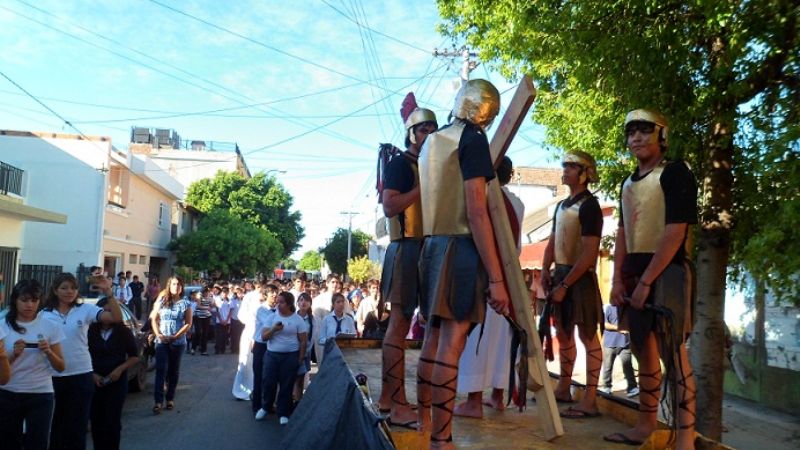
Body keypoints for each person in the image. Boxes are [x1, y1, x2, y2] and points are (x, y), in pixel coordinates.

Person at [416, 79, 509, 447]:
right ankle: (441, 440)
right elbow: (476, 211)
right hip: (461, 249)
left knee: (433, 339)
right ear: (486, 112)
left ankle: (425, 425)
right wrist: (497, 279)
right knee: (450, 344)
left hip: (432, 247)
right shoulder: (472, 139)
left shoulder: (432, 141)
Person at [604, 109, 697, 449]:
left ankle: (685, 439)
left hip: (668, 272)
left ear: (661, 135)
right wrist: (618, 279)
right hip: (634, 271)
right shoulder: (627, 183)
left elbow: (675, 232)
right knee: (642, 350)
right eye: (631, 133)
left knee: (674, 355)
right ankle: (645, 425)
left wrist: (646, 282)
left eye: (644, 130)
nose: (636, 138)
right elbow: (624, 232)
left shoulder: (676, 173)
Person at [377, 93, 438, 426]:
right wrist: (423, 187)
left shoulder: (432, 166)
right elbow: (390, 206)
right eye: (423, 128)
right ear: (412, 133)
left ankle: (390, 397)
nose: (428, 133)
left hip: (426, 249)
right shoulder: (400, 164)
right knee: (399, 325)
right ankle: (398, 402)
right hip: (405, 248)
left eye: (432, 128)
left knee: (411, 325)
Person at [454, 156, 524, 418]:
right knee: (502, 339)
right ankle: (497, 395)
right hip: (508, 276)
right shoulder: (517, 202)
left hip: (486, 274)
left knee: (479, 338)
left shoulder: (482, 196)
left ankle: (474, 402)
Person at [540, 151, 605, 419]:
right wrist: (545, 270)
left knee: (588, 336)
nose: (565, 170)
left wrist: (565, 285)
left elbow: (589, 252)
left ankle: (590, 399)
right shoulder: (561, 206)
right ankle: (564, 387)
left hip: (581, 278)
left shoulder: (590, 206)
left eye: (571, 166)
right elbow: (553, 241)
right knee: (564, 333)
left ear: (585, 172)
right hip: (561, 274)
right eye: (564, 165)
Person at [41, 272, 123, 450]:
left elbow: (116, 318)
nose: (69, 291)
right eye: (64, 288)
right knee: (55, 427)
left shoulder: (85, 309)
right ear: (55, 290)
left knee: (77, 428)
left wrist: (108, 292)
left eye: (73, 288)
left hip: (81, 376)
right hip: (52, 377)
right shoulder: (43, 314)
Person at [0, 280, 66, 450]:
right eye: (24, 300)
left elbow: (61, 367)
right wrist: (13, 355)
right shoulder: (3, 325)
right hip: (8, 392)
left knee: (38, 443)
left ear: (40, 301)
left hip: (40, 393)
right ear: (15, 300)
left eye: (34, 300)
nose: (29, 305)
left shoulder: (50, 326)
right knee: (8, 443)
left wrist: (49, 352)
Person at [88, 297, 139, 450]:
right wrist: (92, 374)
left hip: (116, 382)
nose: (108, 314)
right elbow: (82, 355)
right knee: (96, 421)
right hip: (94, 381)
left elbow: (134, 356)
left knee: (112, 422)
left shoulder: (124, 332)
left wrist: (119, 370)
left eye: (111, 311)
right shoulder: (89, 331)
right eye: (104, 311)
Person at [256, 292, 308, 426]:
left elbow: (303, 340)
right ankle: (265, 407)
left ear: (289, 304)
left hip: (290, 356)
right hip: (272, 355)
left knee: (287, 384)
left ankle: (283, 412)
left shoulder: (298, 320)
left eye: (282, 302)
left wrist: (300, 357)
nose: (278, 305)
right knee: (268, 382)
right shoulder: (272, 317)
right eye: (277, 302)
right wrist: (274, 329)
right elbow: (263, 337)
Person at [149, 276, 192, 414]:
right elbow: (154, 319)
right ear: (169, 285)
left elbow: (188, 323)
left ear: (182, 287)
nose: (176, 286)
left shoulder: (185, 303)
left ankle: (170, 398)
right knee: (161, 370)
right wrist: (158, 334)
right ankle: (158, 401)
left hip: (177, 342)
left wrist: (176, 336)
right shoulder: (162, 301)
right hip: (162, 341)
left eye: (179, 284)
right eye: (174, 284)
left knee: (173, 371)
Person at [232, 281, 264, 400]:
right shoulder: (249, 296)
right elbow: (241, 314)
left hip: (263, 332)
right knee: (245, 360)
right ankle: (241, 390)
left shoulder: (268, 297)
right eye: (259, 285)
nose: (260, 288)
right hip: (250, 330)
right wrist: (252, 322)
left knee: (260, 363)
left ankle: (258, 390)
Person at [600, 304, 639, 397]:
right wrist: (619, 328)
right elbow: (604, 324)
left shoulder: (628, 308)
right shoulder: (609, 308)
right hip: (610, 344)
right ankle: (606, 387)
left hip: (625, 343)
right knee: (608, 367)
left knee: (628, 366)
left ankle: (632, 387)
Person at [252, 284, 278, 419]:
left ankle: (268, 404)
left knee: (271, 378)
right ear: (265, 295)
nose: (274, 295)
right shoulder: (261, 309)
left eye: (276, 292)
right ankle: (256, 405)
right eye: (271, 292)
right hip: (261, 346)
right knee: (259, 376)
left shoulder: (279, 309)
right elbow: (271, 323)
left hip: (274, 346)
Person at [310, 274, 343, 363]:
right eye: (333, 282)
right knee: (323, 363)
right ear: (327, 283)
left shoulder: (344, 300)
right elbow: (317, 321)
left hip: (339, 338)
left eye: (337, 282)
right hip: (323, 337)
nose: (335, 284)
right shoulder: (319, 300)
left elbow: (346, 317)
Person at [293, 292, 314, 404]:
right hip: (292, 352)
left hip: (305, 353)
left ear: (310, 303)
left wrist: (306, 351)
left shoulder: (312, 320)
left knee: (300, 379)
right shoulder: (292, 317)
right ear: (297, 303)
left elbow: (311, 338)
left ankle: (298, 402)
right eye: (301, 300)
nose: (303, 302)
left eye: (306, 300)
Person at [192, 287, 213, 356]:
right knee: (198, 332)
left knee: (205, 333)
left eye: (207, 292)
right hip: (198, 316)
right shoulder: (199, 297)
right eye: (204, 292)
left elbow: (212, 305)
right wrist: (207, 308)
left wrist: (213, 303)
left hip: (207, 316)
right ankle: (193, 348)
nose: (206, 293)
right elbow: (198, 306)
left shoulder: (210, 298)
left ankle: (204, 350)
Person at [215, 288, 232, 354]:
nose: (225, 294)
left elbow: (230, 311)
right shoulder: (218, 299)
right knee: (218, 336)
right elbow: (217, 311)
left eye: (226, 292)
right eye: (224, 292)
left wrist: (227, 320)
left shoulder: (229, 300)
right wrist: (221, 320)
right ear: (221, 293)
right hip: (219, 321)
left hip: (227, 321)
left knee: (225, 336)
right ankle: (217, 349)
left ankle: (223, 349)